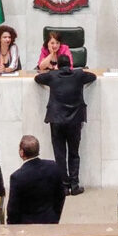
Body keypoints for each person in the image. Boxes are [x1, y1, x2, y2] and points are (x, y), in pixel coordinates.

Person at [6, 135, 66, 236]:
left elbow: (13, 209)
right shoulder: (53, 167)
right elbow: (61, 195)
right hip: (48, 225)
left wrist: (11, 229)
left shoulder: (18, 177)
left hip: (25, 231)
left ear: (21, 152)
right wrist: (55, 217)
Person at [35, 54, 97, 195]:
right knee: (74, 153)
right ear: (70, 64)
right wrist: (76, 71)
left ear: (57, 64)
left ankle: (63, 186)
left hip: (56, 119)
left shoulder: (52, 75)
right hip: (75, 120)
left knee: (60, 154)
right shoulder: (79, 75)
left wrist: (53, 70)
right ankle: (74, 185)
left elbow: (37, 78)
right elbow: (93, 77)